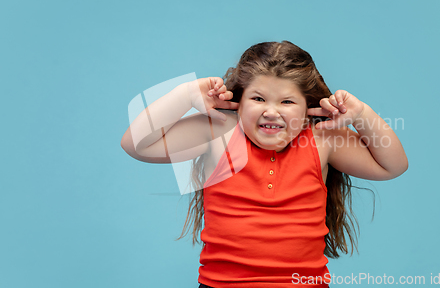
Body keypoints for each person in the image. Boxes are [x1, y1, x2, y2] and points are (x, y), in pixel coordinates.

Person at [121, 41, 408, 288]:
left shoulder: (320, 138)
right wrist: (185, 94)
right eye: (258, 98)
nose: (271, 111)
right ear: (239, 101)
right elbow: (136, 143)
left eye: (287, 102)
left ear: (308, 107)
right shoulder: (220, 131)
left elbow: (392, 166)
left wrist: (362, 114)